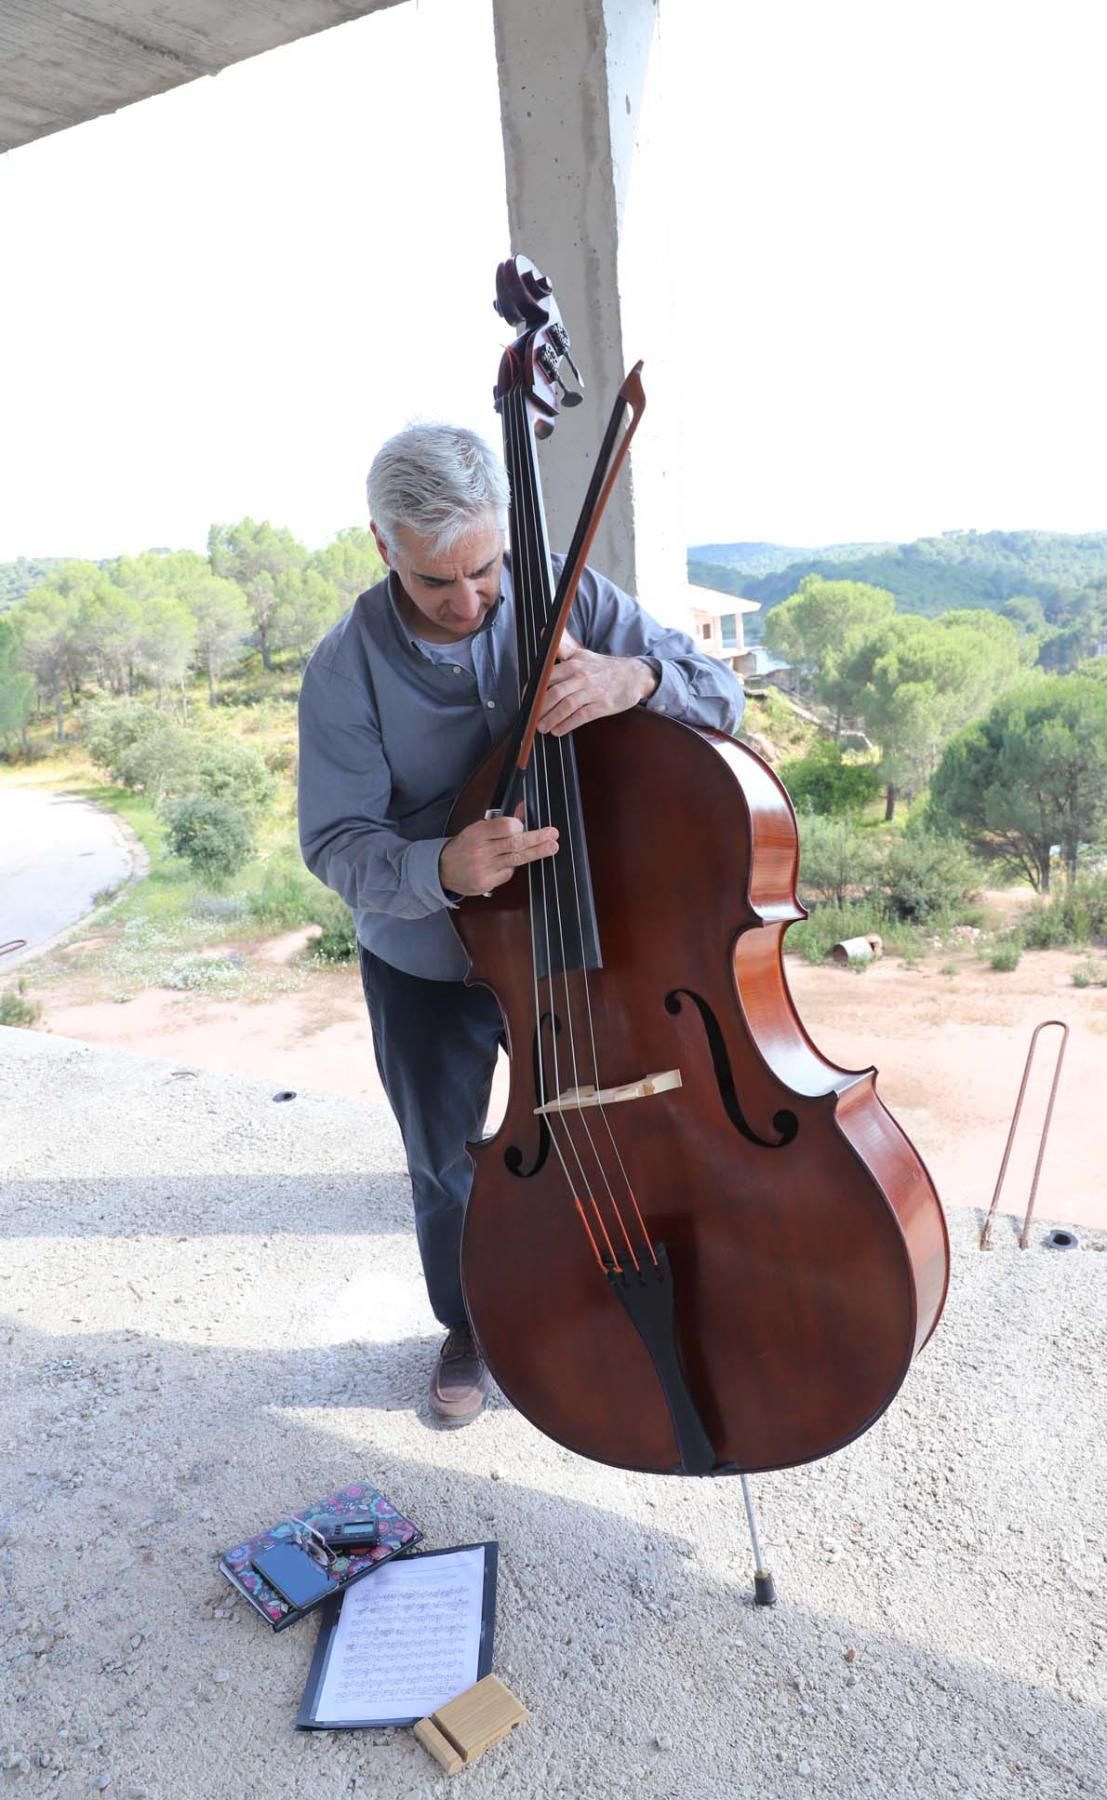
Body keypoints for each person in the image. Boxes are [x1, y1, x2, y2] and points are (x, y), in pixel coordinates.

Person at [298, 424, 743, 1424]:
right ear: (383, 549)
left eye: (485, 569)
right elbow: (335, 846)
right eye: (435, 584)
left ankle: (634, 1294)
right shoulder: (344, 671)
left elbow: (724, 692)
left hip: (587, 947)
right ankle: (470, 1326)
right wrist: (437, 867)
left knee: (626, 1121)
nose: (472, 603)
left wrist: (640, 682)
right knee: (449, 1161)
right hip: (432, 960)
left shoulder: (560, 587)